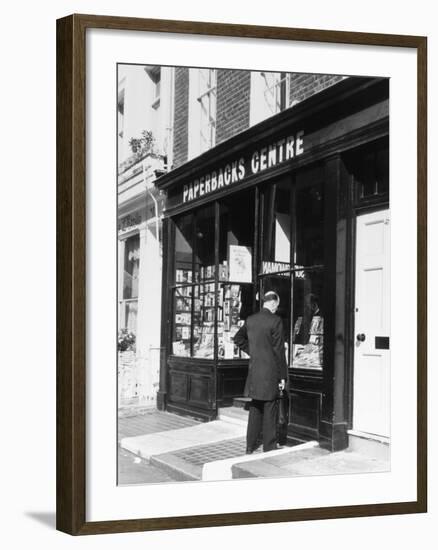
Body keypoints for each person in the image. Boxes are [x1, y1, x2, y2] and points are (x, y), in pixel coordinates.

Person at [233, 291, 287, 453]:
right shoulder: (276, 321)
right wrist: (282, 376)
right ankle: (269, 446)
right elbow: (279, 351)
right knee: (270, 408)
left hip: (255, 370)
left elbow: (238, 339)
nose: (277, 309)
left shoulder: (250, 320)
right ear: (273, 303)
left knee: (255, 408)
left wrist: (253, 352)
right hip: (270, 372)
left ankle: (250, 445)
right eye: (276, 305)